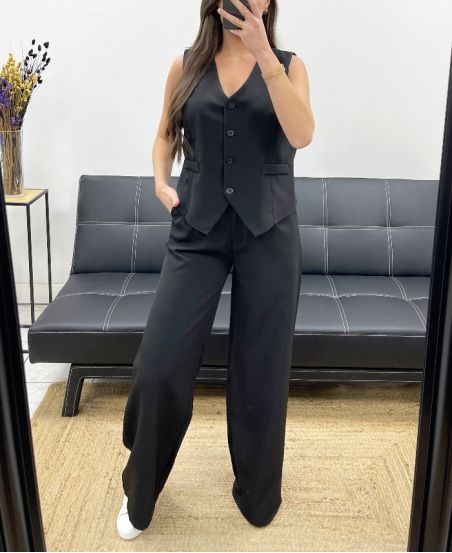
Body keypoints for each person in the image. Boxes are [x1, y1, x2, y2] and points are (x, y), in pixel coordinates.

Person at [117, 0, 315, 540]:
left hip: (269, 231)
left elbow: (302, 134)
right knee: (158, 363)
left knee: (261, 368)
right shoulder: (185, 65)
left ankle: (257, 492)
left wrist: (264, 55)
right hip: (197, 228)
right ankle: (140, 487)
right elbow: (165, 134)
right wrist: (161, 181)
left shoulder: (290, 65)